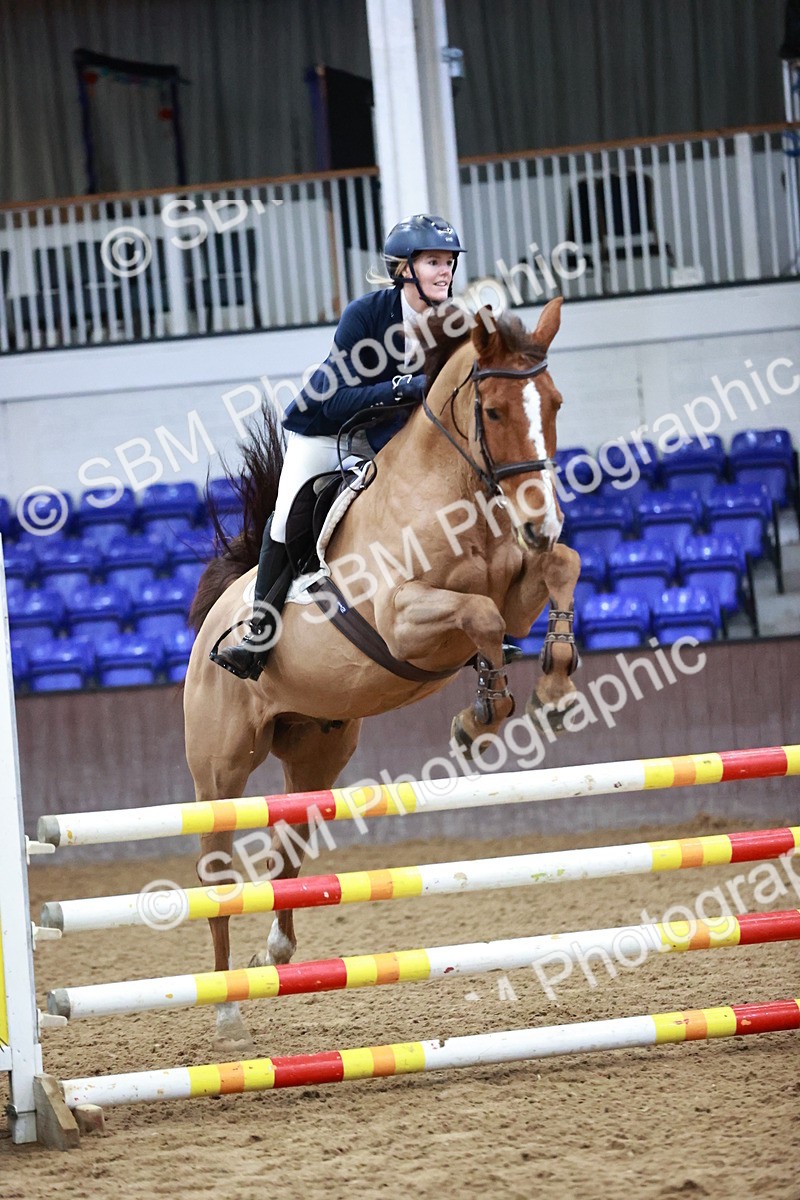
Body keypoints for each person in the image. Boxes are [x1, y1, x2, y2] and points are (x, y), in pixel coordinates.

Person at [213, 213, 466, 680]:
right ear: (404, 268)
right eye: (433, 261)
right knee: (286, 517)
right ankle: (258, 636)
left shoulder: (453, 322)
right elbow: (337, 397)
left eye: (449, 262)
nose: (445, 271)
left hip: (386, 440)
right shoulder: (365, 316)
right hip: (326, 430)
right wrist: (402, 387)